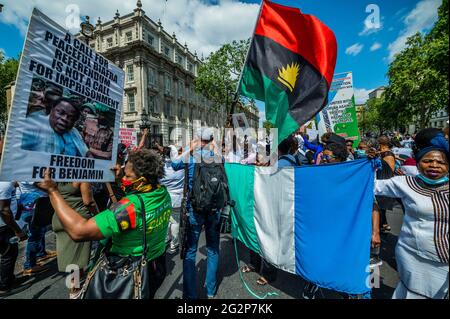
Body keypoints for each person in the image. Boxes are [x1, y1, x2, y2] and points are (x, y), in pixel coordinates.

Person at [37, 149, 171, 299]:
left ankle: (74, 292)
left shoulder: (130, 208)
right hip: (155, 265)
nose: (123, 177)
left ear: (143, 180)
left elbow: (78, 231)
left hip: (129, 271)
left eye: (128, 176)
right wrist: (120, 180)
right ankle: (74, 290)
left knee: (72, 264)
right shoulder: (162, 193)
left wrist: (52, 191)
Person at [372, 128, 449, 299]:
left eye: (441, 162)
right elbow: (370, 186)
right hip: (412, 255)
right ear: (418, 162)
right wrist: (362, 165)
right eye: (427, 161)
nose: (434, 165)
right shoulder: (406, 183)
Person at [171, 127, 224, 299]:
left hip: (195, 208)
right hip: (214, 208)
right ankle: (210, 290)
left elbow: (174, 163)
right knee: (213, 249)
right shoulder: (218, 157)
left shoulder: (192, 156)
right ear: (211, 140)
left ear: (198, 139)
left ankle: (190, 296)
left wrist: (190, 147)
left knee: (190, 251)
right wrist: (214, 146)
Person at [52, 182, 99, 298]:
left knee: (71, 258)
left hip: (60, 218)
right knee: (74, 262)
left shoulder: (54, 176)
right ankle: (74, 293)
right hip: (77, 220)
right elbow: (88, 201)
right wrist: (99, 216)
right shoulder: (81, 176)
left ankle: (75, 287)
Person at [21, 96, 88, 157]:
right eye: (61, 113)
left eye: (71, 118)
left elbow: (86, 154)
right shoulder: (34, 124)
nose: (64, 119)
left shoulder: (74, 132)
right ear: (52, 109)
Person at [0, 182, 28, 294]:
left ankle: (9, 279)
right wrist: (18, 231)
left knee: (9, 253)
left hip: (4, 225)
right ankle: (4, 287)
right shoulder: (5, 184)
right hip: (3, 227)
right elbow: (4, 210)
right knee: (8, 255)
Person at [159, 145, 184, 254]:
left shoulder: (161, 166)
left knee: (166, 220)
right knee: (175, 220)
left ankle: (165, 239)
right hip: (177, 196)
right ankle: (174, 243)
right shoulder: (181, 165)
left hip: (164, 196)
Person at [376, 136, 396, 232]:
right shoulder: (383, 153)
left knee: (381, 205)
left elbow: (390, 170)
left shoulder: (388, 155)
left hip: (385, 181)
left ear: (382, 145)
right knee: (380, 205)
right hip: (381, 179)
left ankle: (384, 224)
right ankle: (383, 223)